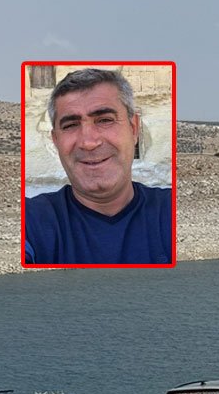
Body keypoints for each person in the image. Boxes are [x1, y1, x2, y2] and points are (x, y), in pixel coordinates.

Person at [24, 68, 172, 265]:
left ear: (134, 129)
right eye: (71, 125)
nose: (88, 142)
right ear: (56, 140)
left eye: (104, 120)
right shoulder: (32, 220)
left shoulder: (170, 211)